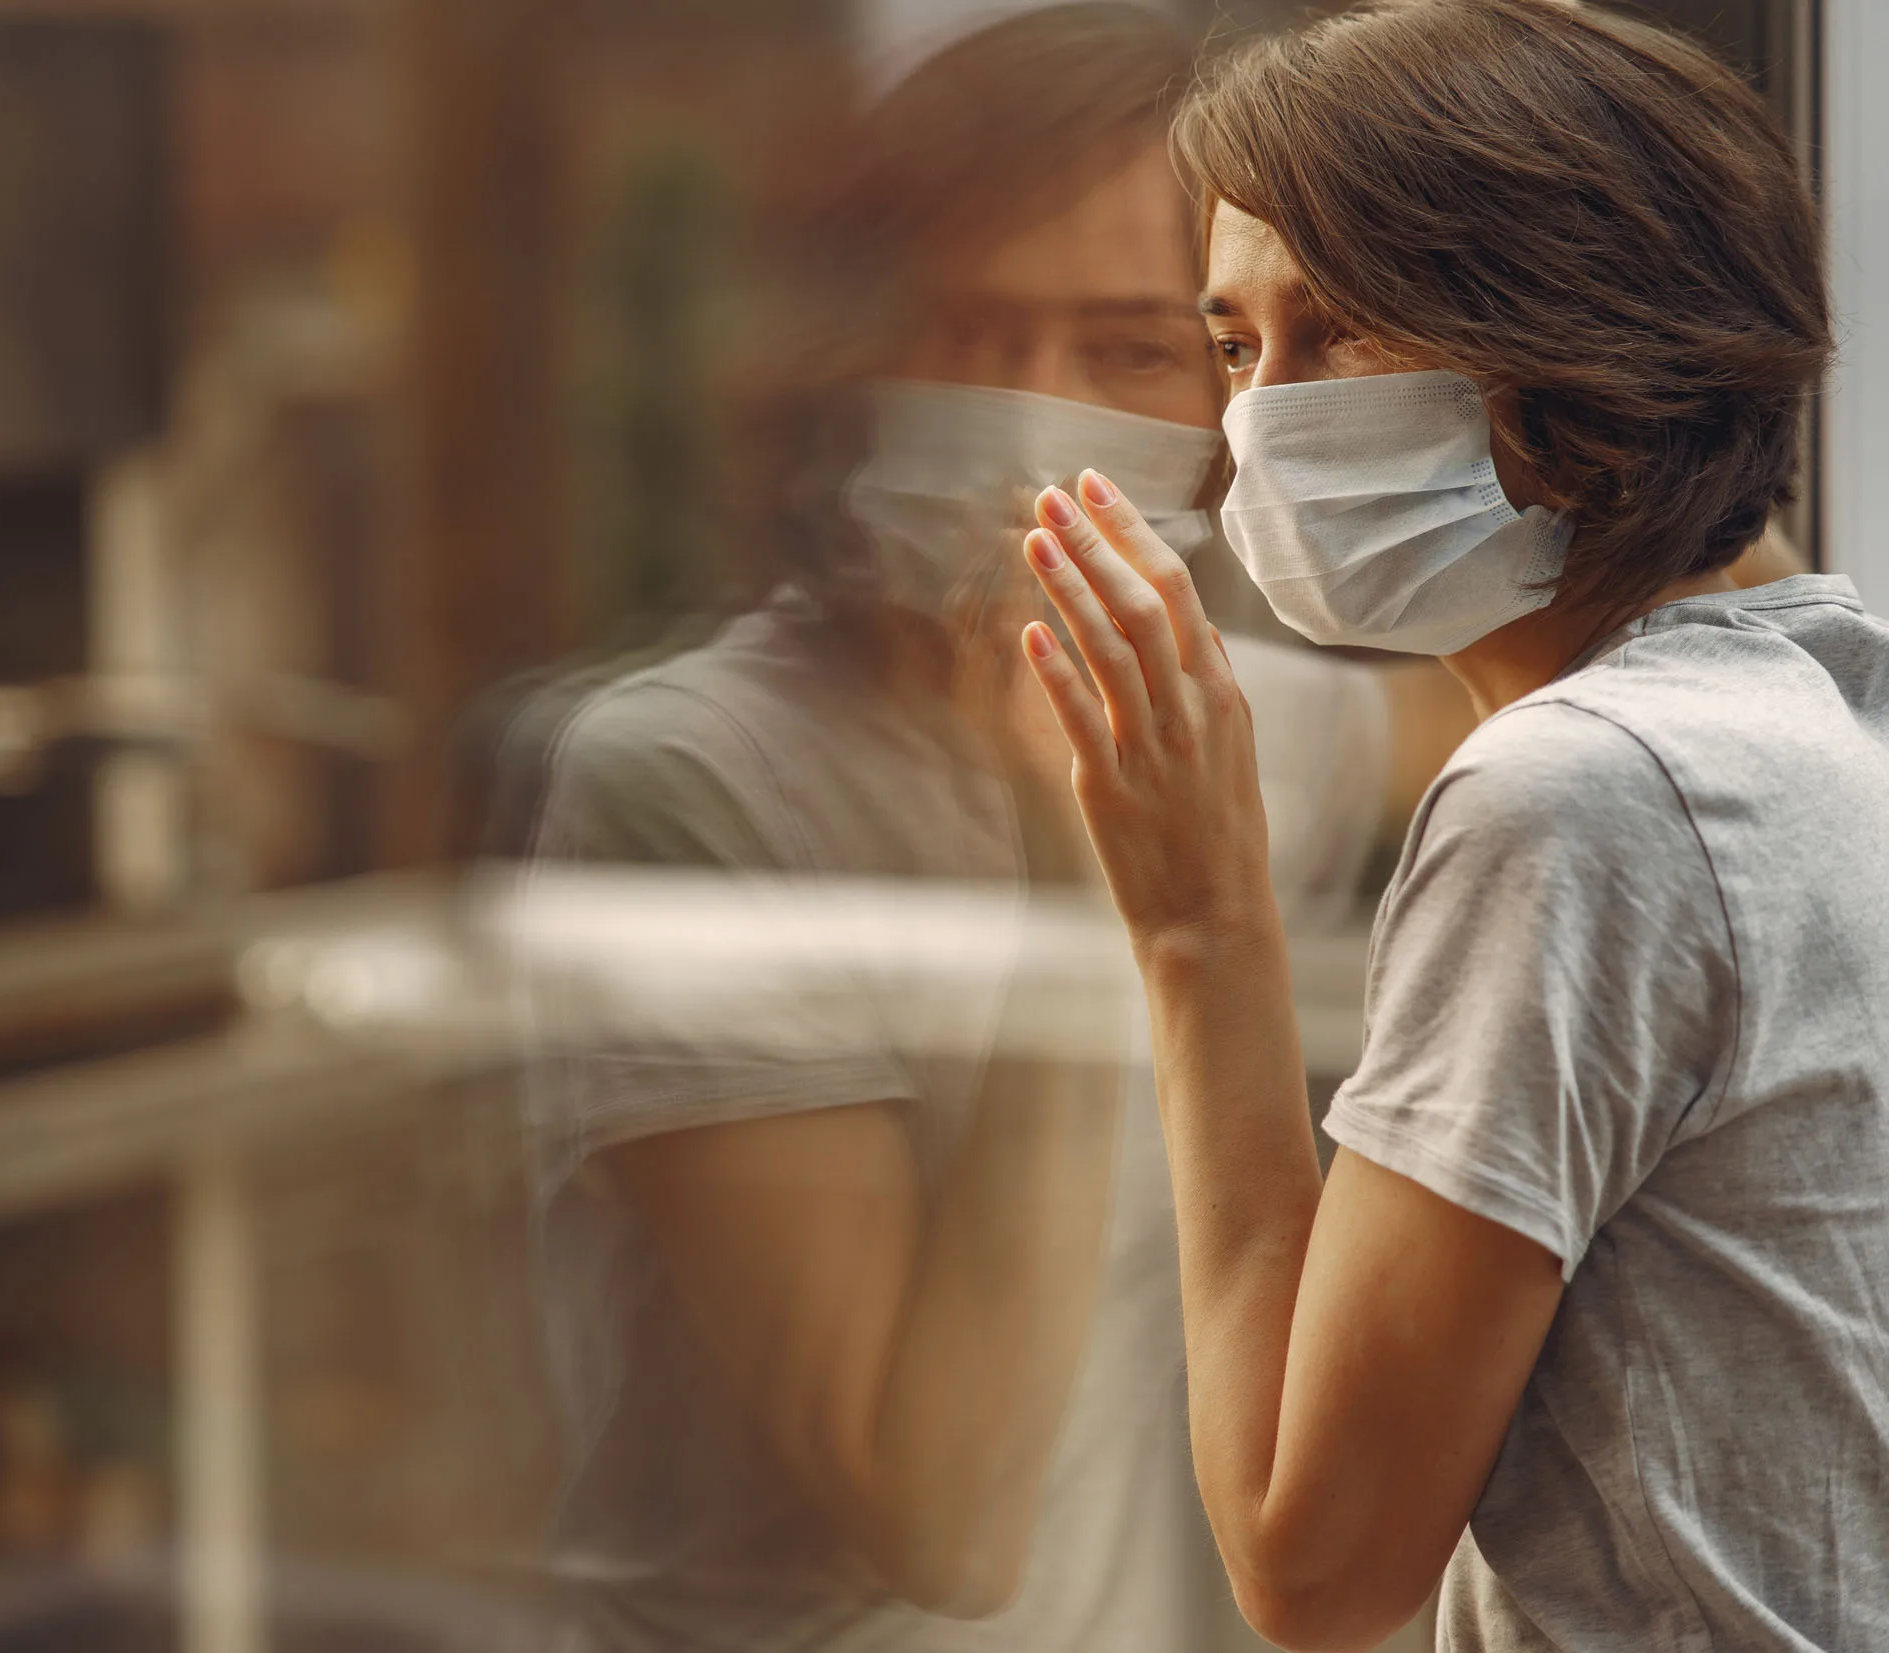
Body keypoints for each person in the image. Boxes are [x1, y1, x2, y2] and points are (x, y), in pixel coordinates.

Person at [517, 8, 1448, 1650]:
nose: (1032, 422)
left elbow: (1529, 691)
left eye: (1129, 355)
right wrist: (1075, 850)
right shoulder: (685, 774)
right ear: (851, 354)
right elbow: (941, 1519)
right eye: (967, 330)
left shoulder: (1222, 719)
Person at [1009, 2, 1885, 1649]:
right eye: (1232, 346)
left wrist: (1202, 926)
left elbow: (1316, 1569)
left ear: (1583, 338)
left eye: (1339, 332)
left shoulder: (1583, 793)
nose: (1264, 418)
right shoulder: (1826, 714)